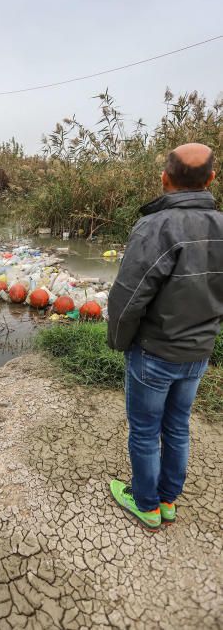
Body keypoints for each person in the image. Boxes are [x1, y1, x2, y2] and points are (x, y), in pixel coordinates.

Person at [107, 143, 223, 530]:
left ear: (164, 179)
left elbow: (127, 297)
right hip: (198, 353)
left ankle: (147, 505)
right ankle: (169, 500)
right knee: (177, 426)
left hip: (154, 352)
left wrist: (119, 341)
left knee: (144, 430)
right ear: (210, 180)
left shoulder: (156, 227)